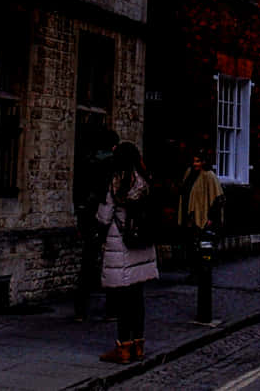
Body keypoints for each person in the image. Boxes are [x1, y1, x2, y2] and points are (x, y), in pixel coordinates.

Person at [95, 141, 158, 364]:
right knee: (138, 298)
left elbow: (104, 217)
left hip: (122, 244)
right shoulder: (144, 180)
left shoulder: (117, 182)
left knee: (122, 300)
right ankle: (138, 346)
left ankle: (123, 348)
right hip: (142, 245)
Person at [73, 127, 120, 320]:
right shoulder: (113, 165)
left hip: (87, 217)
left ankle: (80, 309)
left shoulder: (86, 161)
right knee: (111, 264)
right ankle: (111, 309)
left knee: (88, 263)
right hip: (105, 217)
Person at [177, 153, 222, 241]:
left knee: (201, 242)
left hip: (201, 216)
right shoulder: (189, 173)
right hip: (187, 214)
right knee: (188, 241)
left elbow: (217, 198)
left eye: (197, 161)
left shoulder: (209, 175)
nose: (194, 164)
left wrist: (211, 218)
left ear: (204, 162)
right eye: (193, 161)